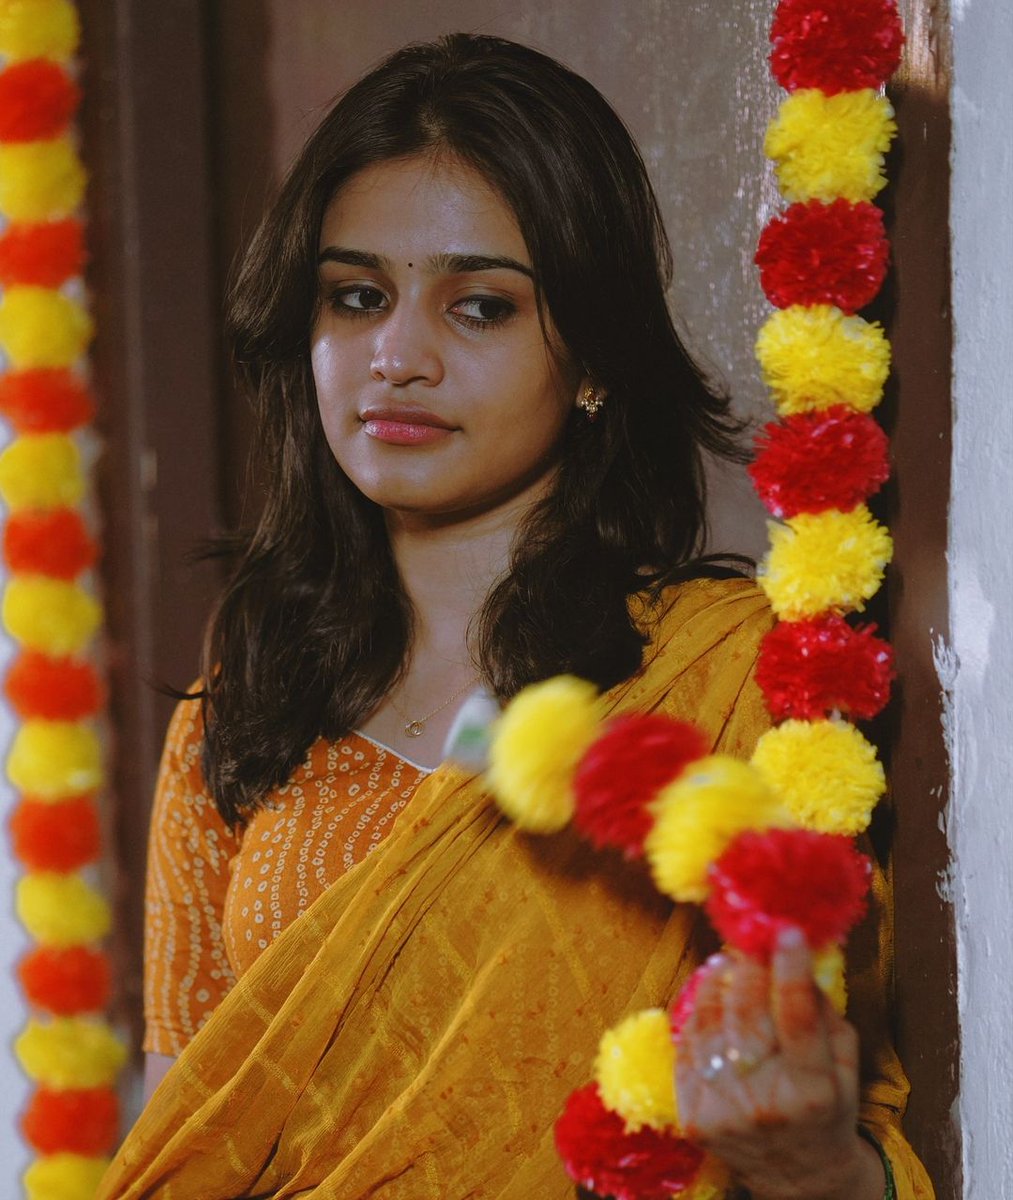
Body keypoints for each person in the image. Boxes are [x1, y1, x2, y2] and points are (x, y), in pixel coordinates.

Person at [99, 33, 933, 1200]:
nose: (396, 356)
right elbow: (188, 1133)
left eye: (480, 306)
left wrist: (807, 1161)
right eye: (356, 297)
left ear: (591, 359)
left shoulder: (726, 677)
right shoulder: (254, 684)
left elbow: (847, 1140)